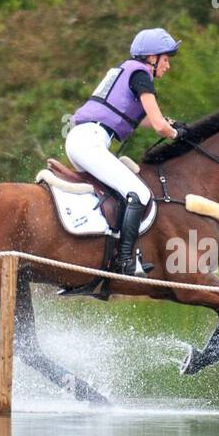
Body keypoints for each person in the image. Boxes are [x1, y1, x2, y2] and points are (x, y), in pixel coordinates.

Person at [64, 28, 185, 284]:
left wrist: (169, 123)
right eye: (166, 59)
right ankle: (126, 261)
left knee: (120, 193)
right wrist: (177, 133)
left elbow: (145, 120)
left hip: (83, 139)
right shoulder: (141, 75)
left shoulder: (125, 72)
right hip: (90, 141)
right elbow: (160, 125)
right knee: (139, 194)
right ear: (151, 58)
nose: (168, 65)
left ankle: (102, 251)